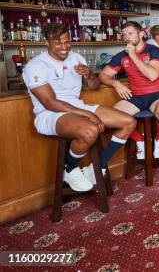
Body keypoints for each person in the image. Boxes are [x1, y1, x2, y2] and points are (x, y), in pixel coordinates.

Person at [24, 23, 136, 192]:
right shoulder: (35, 66)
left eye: (67, 42)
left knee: (128, 122)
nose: (64, 47)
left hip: (76, 106)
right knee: (90, 130)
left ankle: (97, 166)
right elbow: (50, 103)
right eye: (58, 43)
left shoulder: (76, 58)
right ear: (47, 43)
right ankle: (69, 169)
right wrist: (88, 115)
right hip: (49, 114)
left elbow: (94, 86)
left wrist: (90, 75)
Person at [99, 21, 159, 159]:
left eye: (130, 33)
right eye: (124, 34)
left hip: (157, 94)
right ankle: (140, 140)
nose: (126, 37)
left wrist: (133, 55)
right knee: (111, 119)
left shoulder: (154, 51)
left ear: (141, 34)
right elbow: (103, 75)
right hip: (136, 96)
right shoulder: (121, 55)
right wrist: (115, 83)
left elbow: (152, 75)